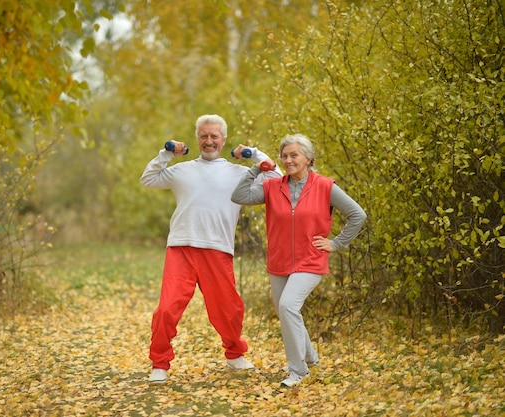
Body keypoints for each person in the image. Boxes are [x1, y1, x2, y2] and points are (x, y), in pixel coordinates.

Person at [140, 114, 282, 384]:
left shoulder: (239, 173)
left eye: (214, 136)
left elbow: (277, 176)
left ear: (223, 139)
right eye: (204, 136)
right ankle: (159, 363)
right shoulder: (182, 170)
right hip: (181, 247)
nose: (208, 141)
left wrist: (252, 154)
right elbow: (148, 178)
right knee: (166, 310)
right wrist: (167, 153)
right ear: (197, 138)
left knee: (228, 309)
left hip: (217, 248)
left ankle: (234, 354)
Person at [231, 133, 367, 387]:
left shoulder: (325, 186)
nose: (288, 160)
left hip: (311, 259)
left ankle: (298, 370)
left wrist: (336, 243)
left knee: (288, 306)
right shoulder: (273, 186)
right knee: (286, 311)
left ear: (308, 158)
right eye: (285, 156)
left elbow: (357, 214)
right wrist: (254, 170)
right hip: (279, 259)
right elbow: (239, 196)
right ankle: (310, 358)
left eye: (294, 155)